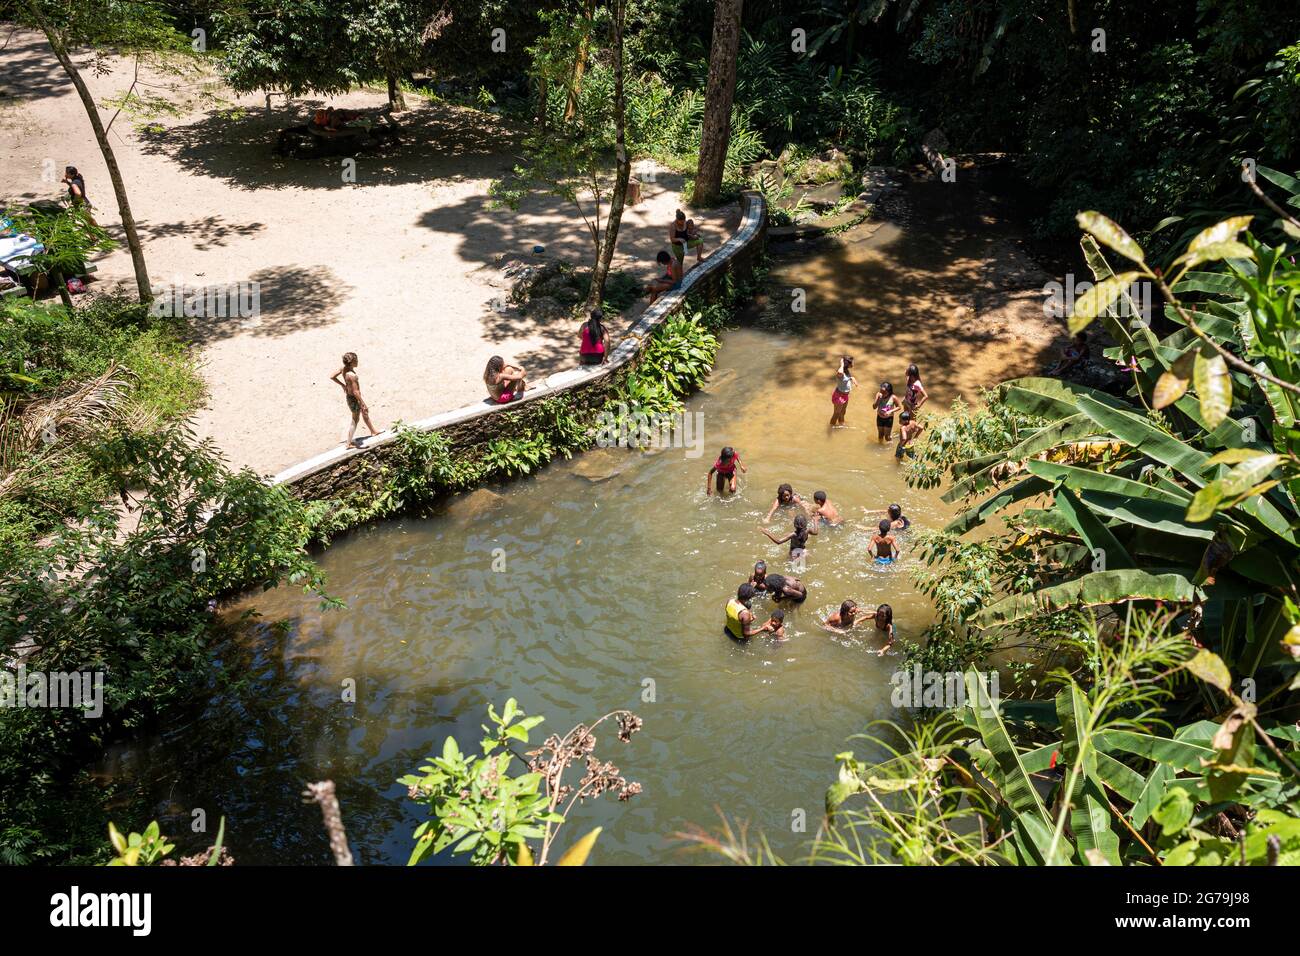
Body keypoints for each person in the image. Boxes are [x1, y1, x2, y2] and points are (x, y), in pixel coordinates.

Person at [331, 352, 378, 448]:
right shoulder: (352, 375)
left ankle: (373, 431)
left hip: (349, 397)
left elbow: (332, 376)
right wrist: (362, 403)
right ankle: (348, 443)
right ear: (352, 362)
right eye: (356, 360)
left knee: (364, 413)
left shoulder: (343, 369)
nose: (358, 362)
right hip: (354, 398)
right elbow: (356, 392)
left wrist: (343, 385)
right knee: (355, 419)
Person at [829, 355, 857, 427]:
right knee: (836, 414)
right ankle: (831, 428)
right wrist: (841, 364)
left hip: (845, 395)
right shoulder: (840, 372)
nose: (853, 364)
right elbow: (840, 373)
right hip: (839, 396)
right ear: (848, 364)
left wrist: (851, 378)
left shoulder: (846, 371)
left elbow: (845, 379)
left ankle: (842, 424)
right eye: (852, 362)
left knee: (843, 412)